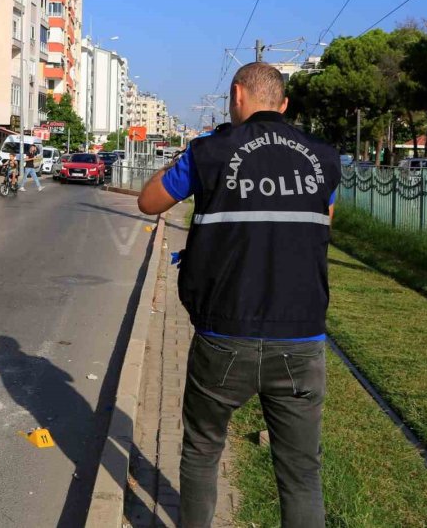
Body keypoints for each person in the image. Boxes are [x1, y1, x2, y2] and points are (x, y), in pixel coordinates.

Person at [138, 62, 340, 528]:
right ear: (284, 105)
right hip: (301, 338)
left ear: (236, 96)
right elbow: (324, 223)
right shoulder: (325, 159)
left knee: (203, 449)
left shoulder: (208, 152)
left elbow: (149, 202)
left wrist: (184, 162)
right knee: (301, 473)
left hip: (224, 333)